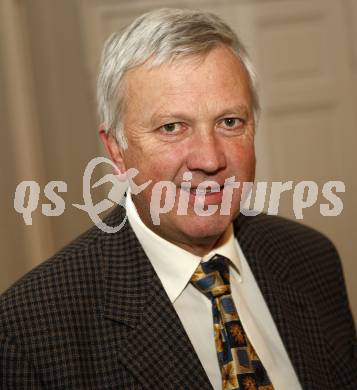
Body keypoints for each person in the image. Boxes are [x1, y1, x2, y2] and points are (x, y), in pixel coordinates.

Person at [0, 8, 356, 390]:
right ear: (117, 150)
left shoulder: (312, 258)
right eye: (172, 127)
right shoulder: (30, 331)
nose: (210, 159)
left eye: (230, 122)